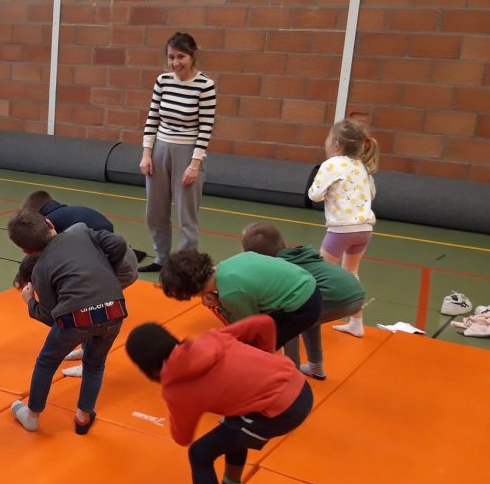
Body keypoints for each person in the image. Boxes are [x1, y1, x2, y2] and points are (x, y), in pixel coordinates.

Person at [124, 316, 313, 484]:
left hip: (281, 411)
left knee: (199, 453)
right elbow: (265, 323)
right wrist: (263, 363)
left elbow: (182, 437)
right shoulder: (212, 338)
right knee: (232, 426)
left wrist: (176, 405)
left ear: (149, 369)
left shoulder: (176, 388)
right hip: (299, 385)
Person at [6, 209, 130, 435]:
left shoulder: (41, 269)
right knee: (95, 363)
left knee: (46, 361)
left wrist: (29, 302)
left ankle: (32, 416)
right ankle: (83, 416)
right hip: (114, 308)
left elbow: (49, 315)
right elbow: (119, 243)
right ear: (50, 223)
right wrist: (107, 271)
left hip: (77, 317)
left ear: (25, 250)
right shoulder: (81, 231)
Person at [21, 190, 142, 376]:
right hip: (122, 257)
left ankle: (90, 363)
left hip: (120, 265)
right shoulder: (64, 214)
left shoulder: (52, 224)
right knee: (88, 309)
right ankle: (87, 350)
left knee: (89, 309)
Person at [241, 222, 366, 380]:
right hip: (355, 292)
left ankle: (292, 369)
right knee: (309, 316)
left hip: (337, 296)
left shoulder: (278, 265)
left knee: (290, 317)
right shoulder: (297, 253)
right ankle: (316, 367)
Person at [138, 31, 217, 273]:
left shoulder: (205, 86)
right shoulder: (163, 81)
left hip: (187, 153)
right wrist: (146, 153)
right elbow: (152, 118)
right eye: (171, 57)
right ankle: (162, 258)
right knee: (155, 211)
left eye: (180, 57)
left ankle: (186, 265)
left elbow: (205, 129)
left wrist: (194, 165)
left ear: (193, 56)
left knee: (186, 216)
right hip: (160, 149)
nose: (175, 63)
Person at [159, 248, 322, 351]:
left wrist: (219, 304)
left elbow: (251, 327)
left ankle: (269, 383)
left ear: (191, 292)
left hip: (303, 306)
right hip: (308, 285)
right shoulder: (232, 262)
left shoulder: (230, 293)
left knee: (257, 346)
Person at [308, 119, 379, 338]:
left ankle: (310, 317)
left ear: (336, 144)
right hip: (364, 229)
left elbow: (315, 195)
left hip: (341, 229)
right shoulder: (362, 166)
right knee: (351, 272)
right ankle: (356, 321)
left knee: (318, 274)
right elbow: (372, 193)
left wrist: (325, 188)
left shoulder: (332, 164)